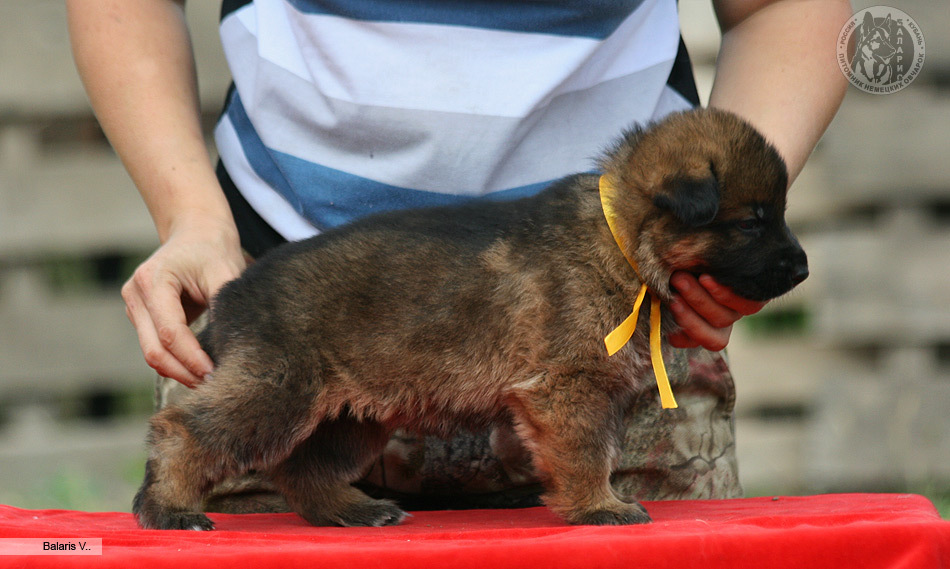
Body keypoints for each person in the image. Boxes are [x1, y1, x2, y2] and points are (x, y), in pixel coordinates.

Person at [67, 0, 849, 509]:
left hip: (633, 334)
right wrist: (189, 215)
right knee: (244, 431)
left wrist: (732, 226)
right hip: (302, 294)